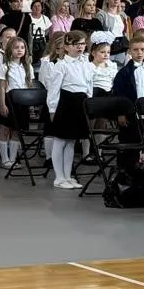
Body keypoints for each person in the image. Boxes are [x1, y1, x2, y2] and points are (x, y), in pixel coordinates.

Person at [45, 30, 93, 189]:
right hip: (66, 103)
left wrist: (89, 100)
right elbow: (53, 89)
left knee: (71, 141)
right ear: (66, 47)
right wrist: (52, 109)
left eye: (82, 44)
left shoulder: (85, 63)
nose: (80, 47)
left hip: (80, 102)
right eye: (76, 44)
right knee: (60, 140)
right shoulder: (61, 65)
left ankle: (67, 176)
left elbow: (89, 83)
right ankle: (59, 177)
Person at [0, 36, 33, 168]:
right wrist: (2, 104)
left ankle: (13, 159)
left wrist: (30, 104)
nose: (19, 50)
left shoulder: (27, 67)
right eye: (16, 47)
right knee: (5, 129)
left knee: (17, 131)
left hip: (22, 101)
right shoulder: (5, 67)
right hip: (9, 100)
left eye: (22, 47)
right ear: (10, 50)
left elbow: (29, 85)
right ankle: (5, 159)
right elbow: (2, 87)